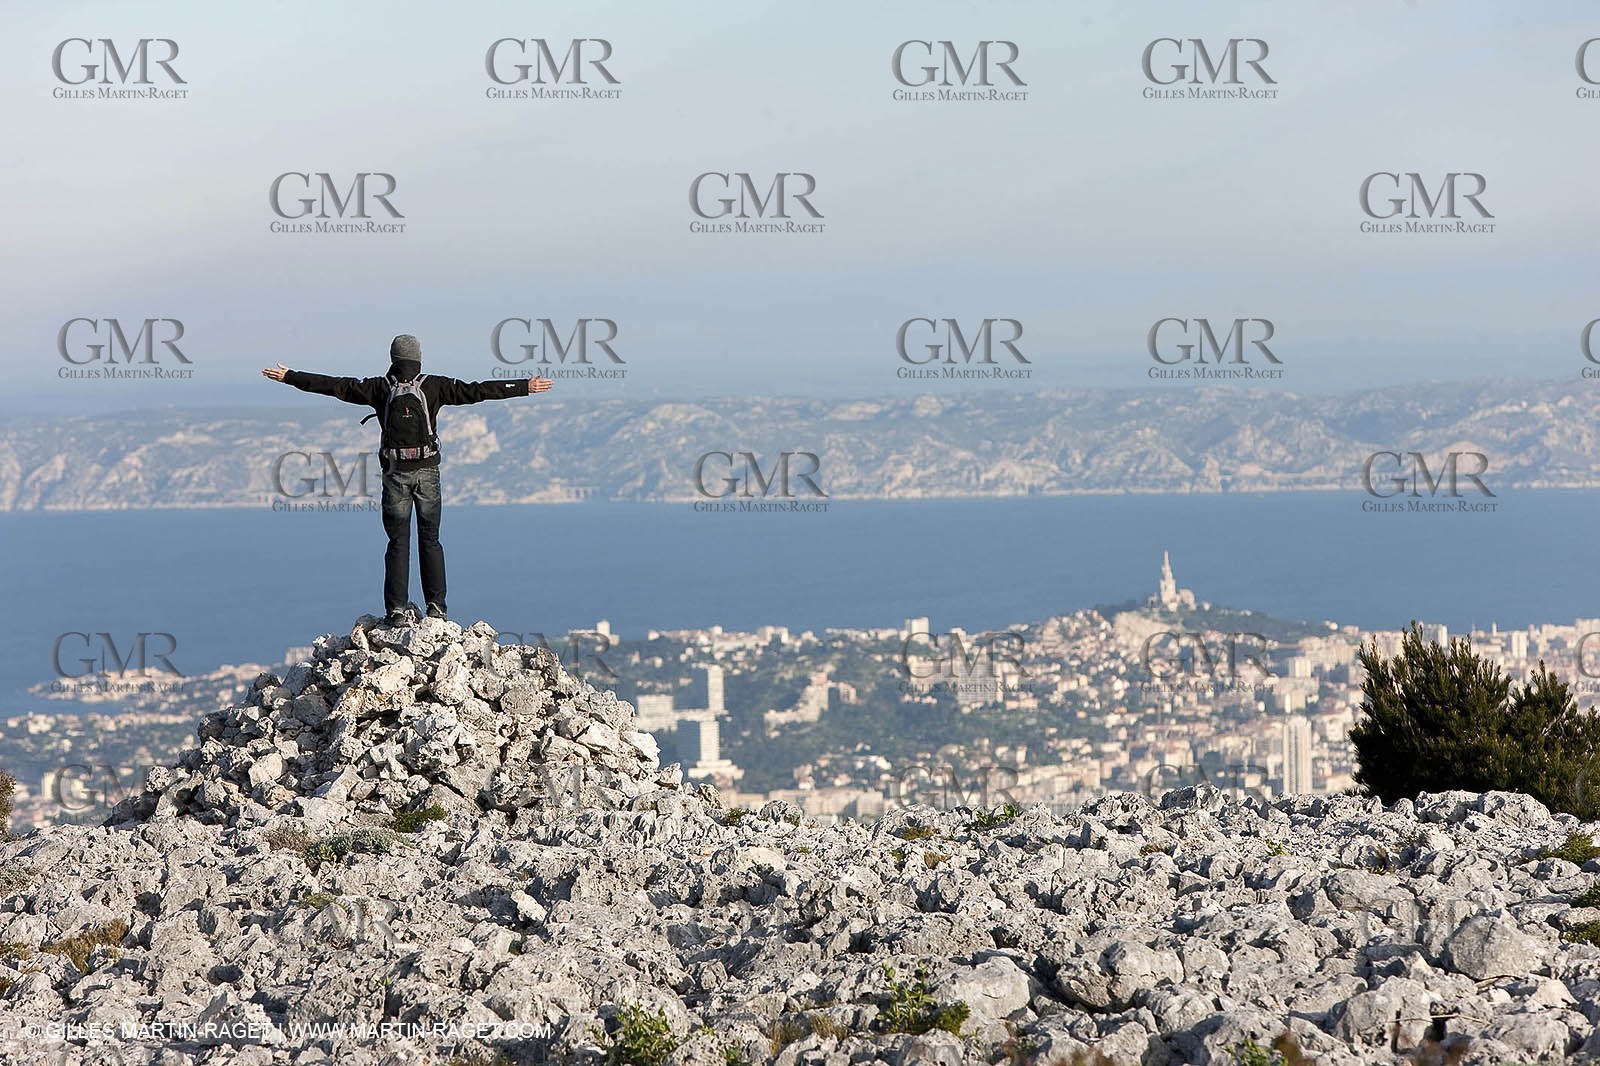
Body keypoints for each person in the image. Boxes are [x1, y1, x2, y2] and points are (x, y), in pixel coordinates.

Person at [263, 334, 552, 626]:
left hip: (395, 475)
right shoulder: (434, 386)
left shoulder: (378, 387)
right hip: (427, 473)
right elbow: (477, 390)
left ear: (393, 358)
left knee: (398, 542)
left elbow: (333, 385)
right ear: (418, 358)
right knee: (430, 540)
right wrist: (523, 386)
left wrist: (290, 376)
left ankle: (397, 611)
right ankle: (436, 607)